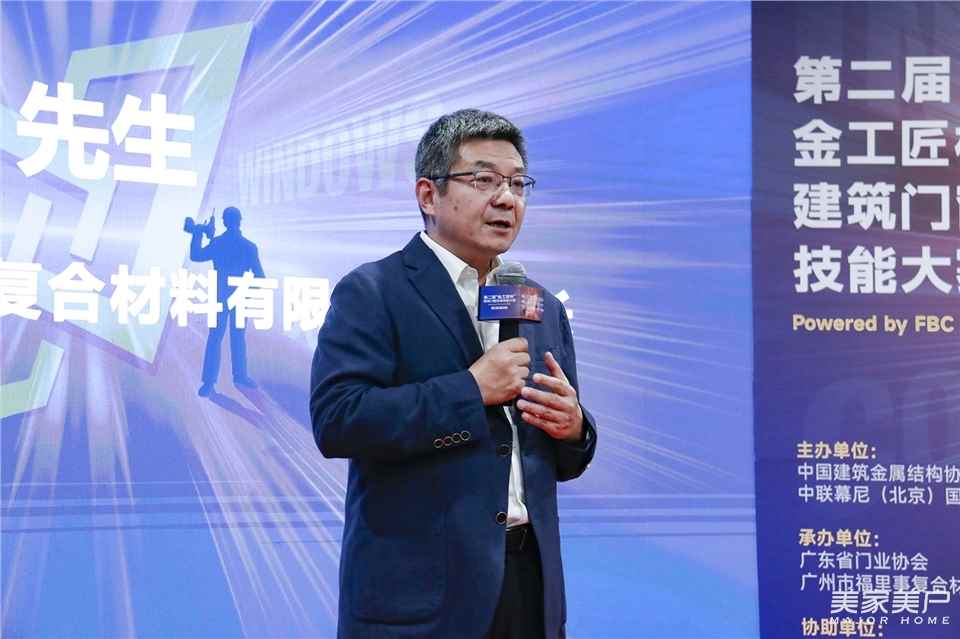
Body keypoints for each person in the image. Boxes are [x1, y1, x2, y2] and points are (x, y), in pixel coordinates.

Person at [310, 109, 596, 638]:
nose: (506, 199)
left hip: (527, 587)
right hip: (420, 600)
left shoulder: (542, 306)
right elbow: (338, 421)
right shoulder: (374, 292)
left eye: (517, 184)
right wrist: (470, 390)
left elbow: (560, 459)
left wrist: (574, 428)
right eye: (484, 180)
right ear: (428, 195)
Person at [189, 206, 264, 397]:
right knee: (236, 337)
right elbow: (260, 277)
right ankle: (240, 376)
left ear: (224, 221)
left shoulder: (218, 243)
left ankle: (209, 383)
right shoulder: (249, 247)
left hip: (221, 296)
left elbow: (195, 255)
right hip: (237, 296)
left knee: (216, 337)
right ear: (239, 221)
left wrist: (198, 233)